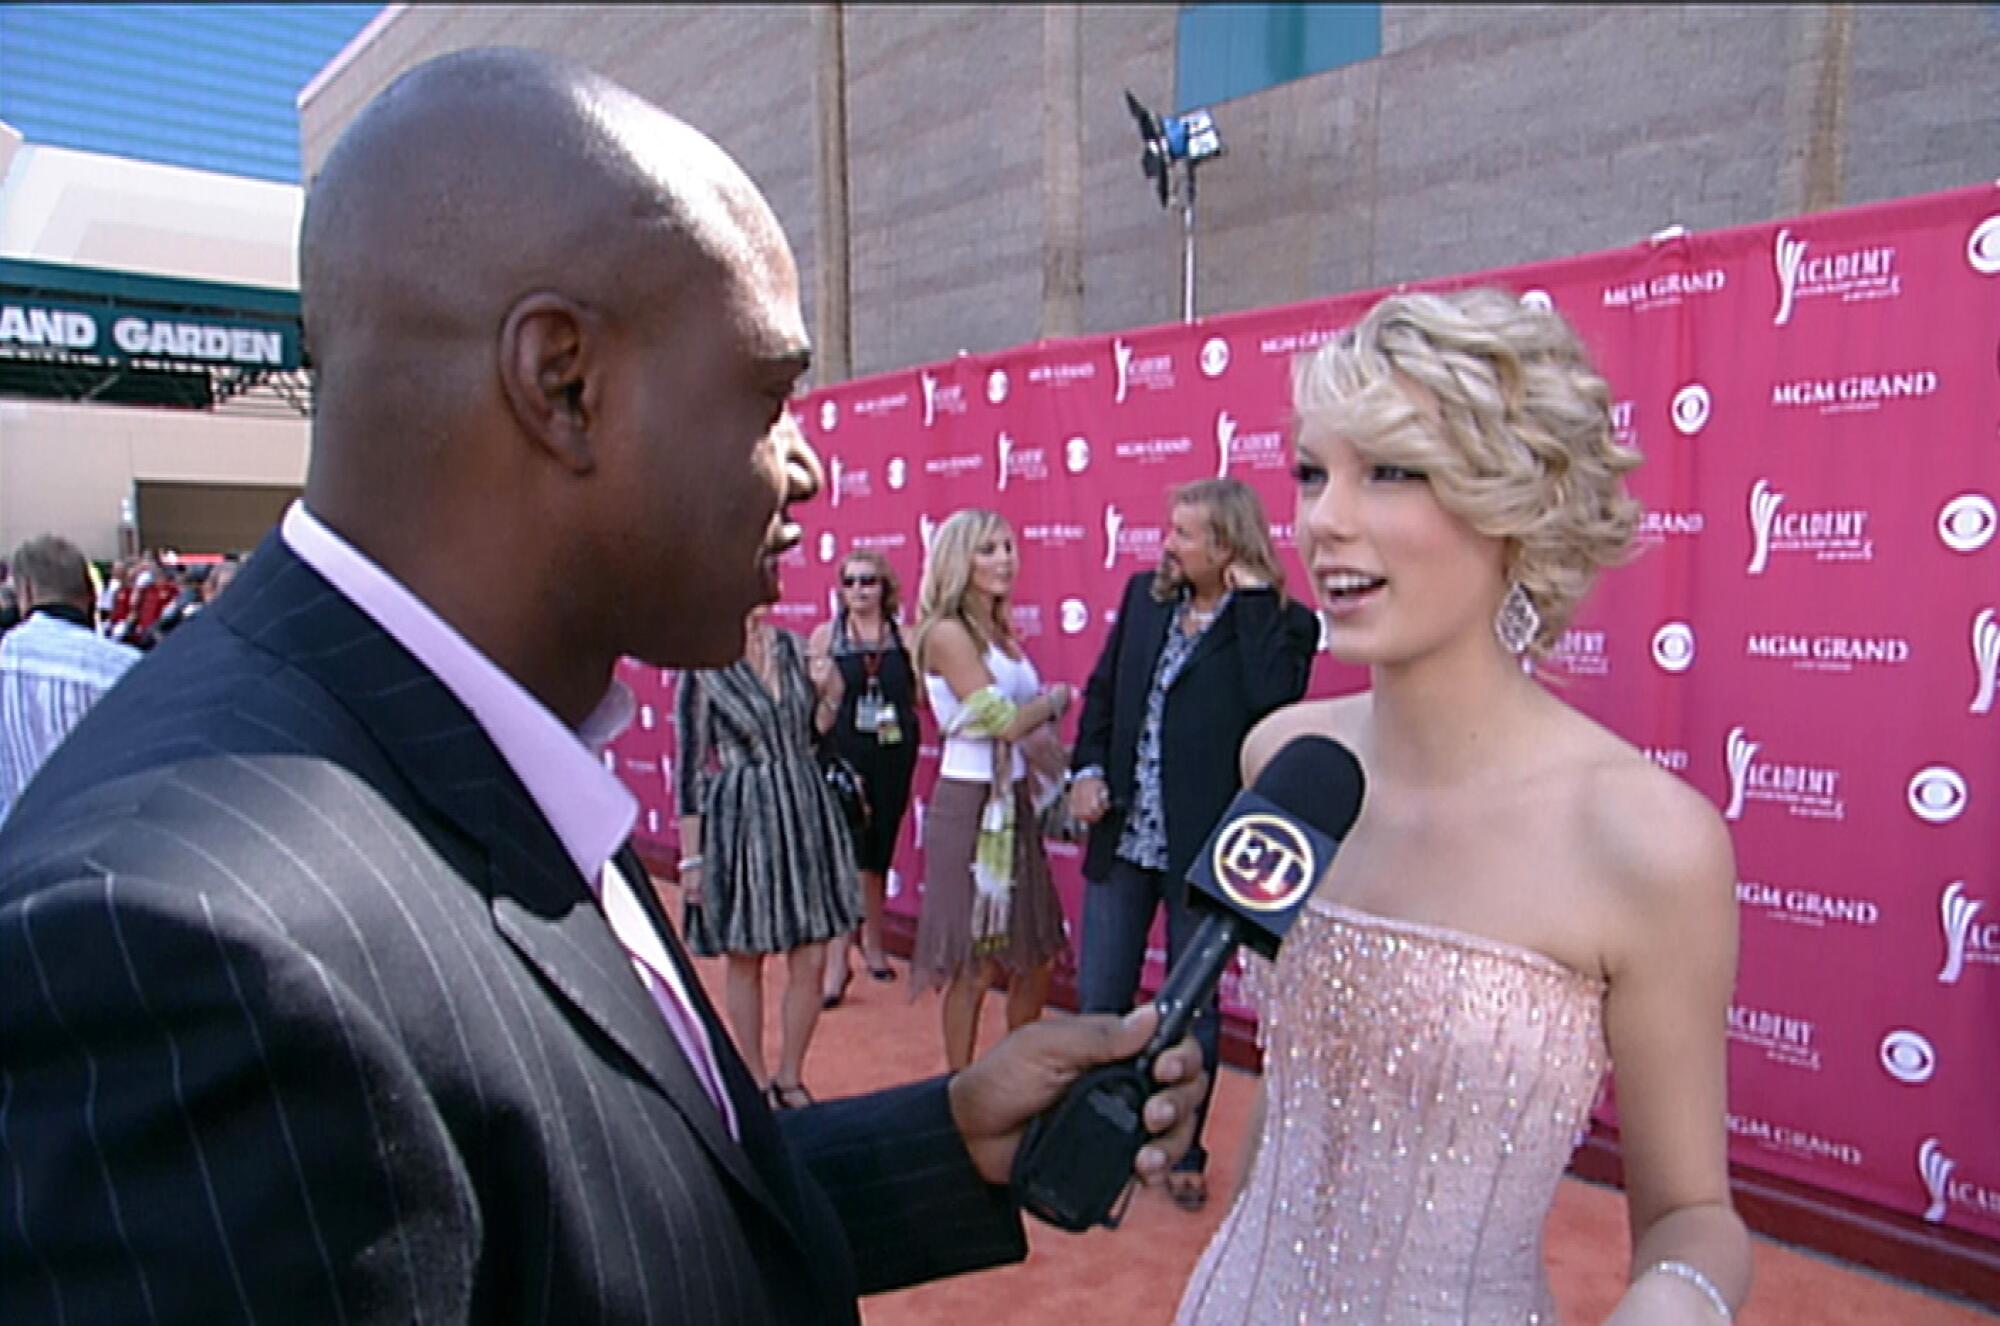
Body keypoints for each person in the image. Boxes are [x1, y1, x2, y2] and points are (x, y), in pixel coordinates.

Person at [0, 48, 1208, 1324]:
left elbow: (598, 1215)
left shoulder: (473, 728)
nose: (802, 472)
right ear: (563, 384)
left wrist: (950, 1141)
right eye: (767, 395)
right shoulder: (183, 954)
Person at [1175, 288, 1749, 1324]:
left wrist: (1671, 1305)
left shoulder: (1648, 843)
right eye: (1312, 471)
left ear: (1512, 507)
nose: (1321, 519)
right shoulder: (1282, 761)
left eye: (1389, 472)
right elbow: (1290, 1097)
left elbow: (1691, 1214)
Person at [1067, 477, 1318, 1211]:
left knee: (1191, 1011)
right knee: (1100, 1001)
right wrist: (1086, 769)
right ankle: (1089, 1143)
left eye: (1183, 535)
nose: (1166, 545)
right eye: (1168, 529)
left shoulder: (1279, 622)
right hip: (1125, 836)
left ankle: (1184, 1148)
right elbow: (1104, 694)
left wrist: (1244, 608)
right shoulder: (1145, 599)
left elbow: (1271, 701)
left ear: (1227, 547)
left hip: (1203, 851)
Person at [676, 607, 861, 1108]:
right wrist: (691, 860)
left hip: (804, 804)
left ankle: (790, 1075)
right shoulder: (702, 663)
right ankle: (754, 1078)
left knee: (813, 952)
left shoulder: (795, 648)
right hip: (744, 814)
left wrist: (833, 695)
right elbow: (689, 768)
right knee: (746, 952)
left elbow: (815, 734)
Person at [911, 509, 1074, 1071]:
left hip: (1014, 806)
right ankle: (959, 1089)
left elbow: (1019, 733)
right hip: (968, 807)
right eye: (988, 549)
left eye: (1008, 546)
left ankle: (1013, 1074)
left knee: (1036, 956)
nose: (1005, 559)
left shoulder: (1001, 632)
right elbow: (1003, 722)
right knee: (973, 966)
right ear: (959, 560)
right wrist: (1056, 700)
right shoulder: (947, 633)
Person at [809, 547, 920, 1007]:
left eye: (868, 581)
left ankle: (874, 945)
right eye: (850, 581)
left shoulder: (907, 638)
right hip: (843, 755)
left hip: (894, 752)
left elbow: (925, 699)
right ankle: (839, 963)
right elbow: (813, 709)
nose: (859, 590)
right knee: (845, 853)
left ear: (884, 588)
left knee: (877, 852)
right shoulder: (825, 636)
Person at [0, 534, 143, 825]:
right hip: (104, 845)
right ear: (90, 592)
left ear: (25, 591)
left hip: (13, 849)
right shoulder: (127, 668)